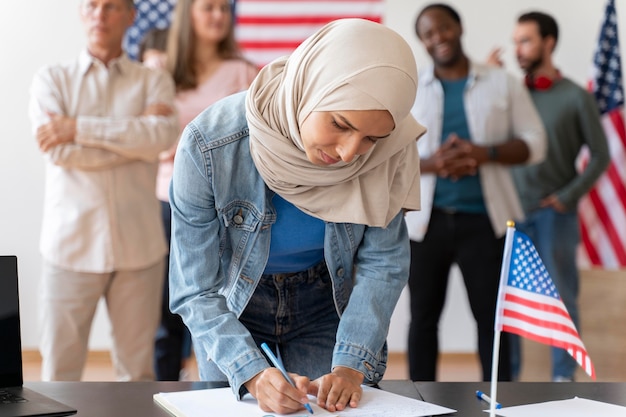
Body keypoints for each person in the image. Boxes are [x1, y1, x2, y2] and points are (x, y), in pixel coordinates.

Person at [168, 18, 425, 414]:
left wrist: (351, 365)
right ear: (309, 88)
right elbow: (195, 288)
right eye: (340, 123)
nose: (348, 153)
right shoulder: (208, 144)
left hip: (326, 304)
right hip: (232, 308)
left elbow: (384, 263)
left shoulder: (389, 149)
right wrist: (250, 371)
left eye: (371, 138)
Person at [28, 0, 178, 381]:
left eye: (111, 7)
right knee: (60, 372)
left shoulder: (154, 80)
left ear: (130, 16)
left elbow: (159, 138)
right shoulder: (52, 79)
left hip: (139, 250)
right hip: (69, 248)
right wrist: (132, 139)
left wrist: (78, 128)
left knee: (137, 372)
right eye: (92, 5)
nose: (99, 14)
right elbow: (58, 150)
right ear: (81, 12)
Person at [404, 3, 546, 382]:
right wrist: (436, 164)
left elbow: (536, 143)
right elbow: (386, 157)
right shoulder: (410, 88)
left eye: (444, 29)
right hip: (425, 226)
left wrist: (484, 153)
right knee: (423, 320)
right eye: (429, 33)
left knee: (492, 321)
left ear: (459, 28)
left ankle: (499, 398)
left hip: (486, 223)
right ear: (422, 40)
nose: (438, 38)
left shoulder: (501, 82)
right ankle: (422, 400)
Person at [151, 0, 259, 381]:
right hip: (166, 201)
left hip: (226, 206)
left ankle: (213, 387)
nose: (217, 15)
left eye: (222, 9)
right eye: (207, 7)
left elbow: (255, 143)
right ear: (188, 16)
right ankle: (164, 390)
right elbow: (148, 137)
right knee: (166, 312)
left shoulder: (244, 72)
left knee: (216, 300)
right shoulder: (161, 69)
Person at [505, 11, 609, 382]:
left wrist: (568, 196)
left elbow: (601, 155)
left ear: (549, 42)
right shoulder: (511, 93)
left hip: (554, 215)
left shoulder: (576, 96)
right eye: (516, 40)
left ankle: (564, 380)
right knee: (510, 302)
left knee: (560, 297)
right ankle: (509, 379)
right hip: (512, 215)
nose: (518, 48)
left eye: (526, 40)